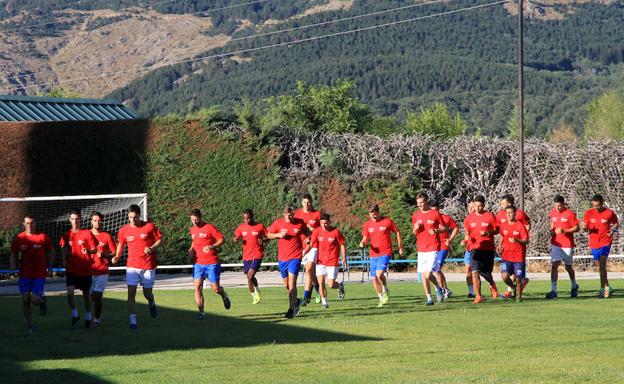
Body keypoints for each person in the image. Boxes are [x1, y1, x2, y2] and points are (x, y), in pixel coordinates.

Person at [112, 204, 163, 330]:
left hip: (148, 265)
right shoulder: (124, 230)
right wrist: (117, 256)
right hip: (132, 266)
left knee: (147, 294)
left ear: (139, 216)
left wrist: (151, 248)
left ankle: (151, 302)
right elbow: (121, 244)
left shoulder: (149, 226)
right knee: (131, 293)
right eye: (130, 217)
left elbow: (160, 239)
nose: (133, 220)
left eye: (135, 217)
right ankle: (133, 321)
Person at [10, 215, 54, 334]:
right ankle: (30, 326)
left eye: (32, 223)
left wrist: (50, 267)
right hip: (25, 274)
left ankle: (42, 302)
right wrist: (12, 266)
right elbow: (13, 253)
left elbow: (51, 252)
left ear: (35, 224)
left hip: (39, 274)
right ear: (24, 224)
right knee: (25, 299)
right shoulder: (19, 238)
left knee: (34, 300)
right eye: (27, 223)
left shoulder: (43, 237)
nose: (30, 225)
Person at [59, 209, 99, 329]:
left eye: (77, 219)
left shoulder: (87, 233)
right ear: (70, 220)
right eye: (73, 219)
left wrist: (88, 251)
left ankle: (87, 315)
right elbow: (63, 247)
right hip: (72, 269)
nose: (75, 221)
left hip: (85, 269)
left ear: (80, 220)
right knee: (70, 293)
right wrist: (64, 260)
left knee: (86, 295)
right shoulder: (66, 235)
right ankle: (75, 314)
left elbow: (95, 249)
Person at [188, 208, 230, 319]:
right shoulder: (192, 229)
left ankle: (224, 295)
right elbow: (194, 241)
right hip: (198, 263)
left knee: (215, 289)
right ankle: (201, 313)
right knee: (197, 287)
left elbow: (221, 239)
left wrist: (211, 246)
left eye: (196, 220)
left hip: (212, 263)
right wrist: (191, 249)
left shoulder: (209, 227)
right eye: (192, 220)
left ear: (200, 217)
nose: (195, 222)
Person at [267, 205, 307, 319]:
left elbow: (306, 231)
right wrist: (277, 235)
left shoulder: (299, 223)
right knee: (287, 285)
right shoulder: (278, 223)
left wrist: (307, 239)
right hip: (282, 258)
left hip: (295, 257)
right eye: (287, 215)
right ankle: (296, 301)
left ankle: (291, 310)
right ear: (283, 215)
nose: (289, 217)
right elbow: (267, 234)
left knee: (292, 284)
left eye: (291, 215)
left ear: (293, 214)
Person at [359, 204, 403, 307]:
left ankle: (385, 288)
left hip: (385, 252)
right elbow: (365, 238)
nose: (373, 215)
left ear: (378, 212)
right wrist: (362, 243)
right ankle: (381, 298)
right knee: (374, 278)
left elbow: (397, 232)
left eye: (375, 213)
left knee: (379, 274)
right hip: (373, 254)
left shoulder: (387, 221)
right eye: (371, 214)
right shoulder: (367, 224)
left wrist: (400, 247)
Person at [580, 194, 619, 298]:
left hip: (606, 241)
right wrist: (584, 228)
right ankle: (607, 286)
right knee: (599, 267)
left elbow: (616, 223)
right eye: (594, 206)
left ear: (602, 203)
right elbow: (586, 228)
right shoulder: (589, 213)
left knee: (602, 265)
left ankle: (602, 290)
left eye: (597, 206)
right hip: (594, 243)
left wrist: (612, 231)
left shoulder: (609, 213)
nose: (596, 208)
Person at [463, 195, 499, 304]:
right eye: (475, 206)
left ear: (484, 205)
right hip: (474, 248)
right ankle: (478, 296)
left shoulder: (490, 216)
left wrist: (488, 232)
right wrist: (466, 239)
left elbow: (497, 230)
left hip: (487, 248)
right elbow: (467, 232)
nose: (477, 208)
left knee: (485, 273)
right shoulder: (469, 218)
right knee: (475, 271)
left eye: (480, 206)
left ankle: (492, 285)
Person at [412, 193, 446, 305]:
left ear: (426, 202)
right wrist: (416, 228)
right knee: (423, 275)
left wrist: (436, 231)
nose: (420, 205)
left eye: (421, 203)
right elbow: (414, 232)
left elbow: (444, 227)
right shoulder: (416, 215)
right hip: (421, 248)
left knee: (427, 274)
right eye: (418, 203)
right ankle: (430, 298)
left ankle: (437, 287)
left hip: (432, 247)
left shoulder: (435, 213)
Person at [308, 213, 346, 308]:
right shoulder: (317, 231)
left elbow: (342, 244)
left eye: (325, 223)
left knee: (331, 284)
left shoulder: (336, 232)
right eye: (321, 223)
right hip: (320, 261)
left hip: (332, 261)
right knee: (320, 282)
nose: (323, 225)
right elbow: (311, 244)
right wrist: (305, 251)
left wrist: (344, 259)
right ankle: (324, 302)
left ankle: (340, 286)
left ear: (329, 222)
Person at [495, 194, 532, 295]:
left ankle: (514, 293)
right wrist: (500, 245)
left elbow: (527, 225)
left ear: (510, 204)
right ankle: (513, 288)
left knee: (517, 275)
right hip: (506, 252)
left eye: (503, 203)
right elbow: (502, 233)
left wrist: (520, 237)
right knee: (505, 275)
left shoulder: (520, 216)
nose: (501, 205)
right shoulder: (500, 216)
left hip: (518, 252)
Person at [547, 195, 580, 299]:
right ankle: (553, 291)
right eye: (556, 206)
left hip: (567, 244)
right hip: (556, 244)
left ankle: (574, 286)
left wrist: (564, 230)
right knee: (554, 265)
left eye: (560, 206)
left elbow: (577, 228)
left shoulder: (570, 214)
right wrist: (551, 231)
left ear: (563, 204)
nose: (558, 208)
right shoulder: (552, 212)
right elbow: (552, 225)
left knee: (568, 267)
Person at [89, 211, 116, 327]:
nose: (97, 223)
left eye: (99, 220)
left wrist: (105, 255)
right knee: (90, 296)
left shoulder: (106, 236)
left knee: (98, 295)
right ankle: (89, 316)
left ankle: (97, 319)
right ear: (91, 222)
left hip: (102, 271)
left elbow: (114, 252)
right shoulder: (86, 235)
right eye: (95, 220)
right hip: (88, 271)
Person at [294, 194, 322, 305]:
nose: (307, 204)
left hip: (314, 245)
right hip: (302, 246)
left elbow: (322, 229)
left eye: (309, 202)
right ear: (302, 203)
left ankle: (306, 297)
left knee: (309, 269)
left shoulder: (317, 214)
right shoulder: (297, 214)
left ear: (311, 203)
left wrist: (312, 230)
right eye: (305, 202)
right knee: (309, 272)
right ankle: (318, 290)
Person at [233, 209, 266, 304]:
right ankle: (255, 295)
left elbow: (268, 236)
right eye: (245, 219)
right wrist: (235, 239)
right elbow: (235, 236)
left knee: (250, 275)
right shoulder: (241, 227)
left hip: (257, 254)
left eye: (248, 218)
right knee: (249, 278)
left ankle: (257, 292)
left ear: (252, 217)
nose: (247, 220)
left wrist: (264, 240)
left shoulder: (259, 226)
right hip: (246, 256)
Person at [430, 199, 459, 300]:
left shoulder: (445, 218)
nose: (435, 213)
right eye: (432, 211)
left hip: (443, 246)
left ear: (439, 209)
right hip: (432, 247)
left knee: (437, 269)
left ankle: (442, 291)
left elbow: (456, 227)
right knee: (435, 270)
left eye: (436, 210)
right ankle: (446, 290)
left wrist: (450, 239)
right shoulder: (429, 219)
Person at [463, 201, 476, 298]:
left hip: (479, 249)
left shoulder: (482, 218)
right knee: (468, 270)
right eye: (470, 207)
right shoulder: (467, 219)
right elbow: (467, 233)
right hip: (469, 249)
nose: (472, 209)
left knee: (480, 271)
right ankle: (471, 292)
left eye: (473, 207)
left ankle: (492, 287)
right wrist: (465, 240)